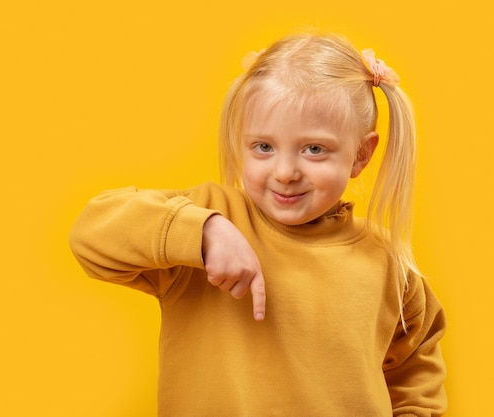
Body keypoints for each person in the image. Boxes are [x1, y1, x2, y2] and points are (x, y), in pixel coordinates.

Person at [69, 31, 447, 416]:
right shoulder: (205, 219)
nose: (284, 172)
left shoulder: (386, 261)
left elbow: (416, 369)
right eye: (263, 147)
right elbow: (90, 234)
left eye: (314, 149)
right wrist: (204, 233)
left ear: (360, 155)